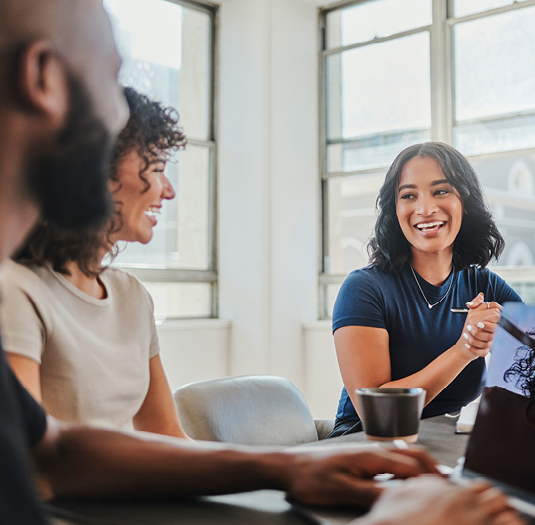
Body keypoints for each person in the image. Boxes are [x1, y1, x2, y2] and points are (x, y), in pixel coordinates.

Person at [0, 1, 523, 524]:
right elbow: (49, 460)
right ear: (44, 79)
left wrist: (288, 468)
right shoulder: (15, 291)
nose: (121, 116)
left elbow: (130, 446)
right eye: (111, 83)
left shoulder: (131, 296)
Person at [0, 86, 189, 438]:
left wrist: (267, 472)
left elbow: (168, 435)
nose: (168, 190)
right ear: (99, 169)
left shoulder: (133, 295)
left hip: (137, 493)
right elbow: (37, 457)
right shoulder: (17, 290)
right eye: (158, 167)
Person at [328, 142, 522, 438]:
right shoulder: (364, 289)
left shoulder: (485, 285)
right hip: (368, 444)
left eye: (441, 191)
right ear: (395, 209)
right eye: (408, 195)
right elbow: (377, 412)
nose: (426, 208)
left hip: (449, 442)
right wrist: (464, 350)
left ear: (464, 202)